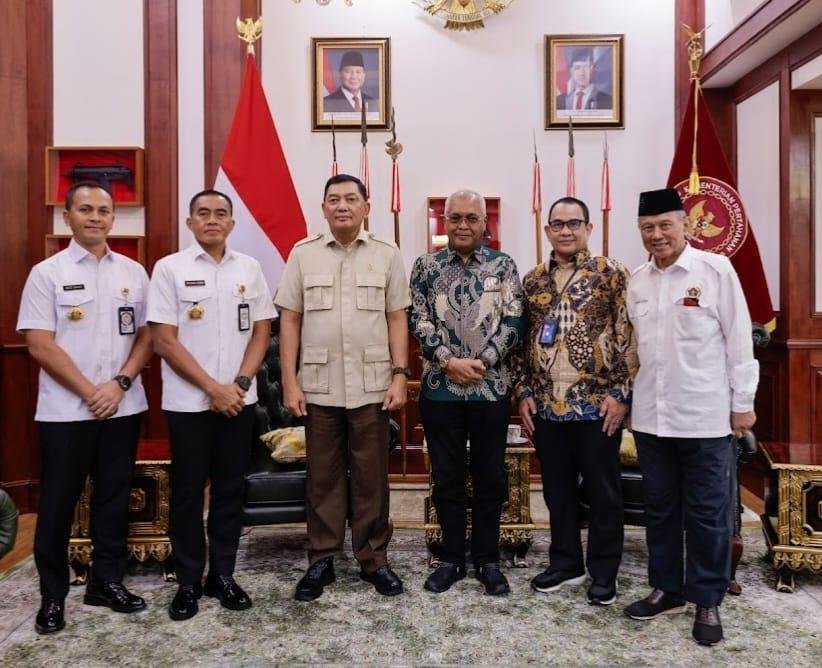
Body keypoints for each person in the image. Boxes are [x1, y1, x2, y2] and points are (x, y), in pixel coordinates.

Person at [624, 188, 758, 646]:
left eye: (665, 225)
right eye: (648, 227)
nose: (657, 235)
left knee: (707, 513)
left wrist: (744, 402)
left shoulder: (715, 271)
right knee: (661, 508)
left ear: (685, 224)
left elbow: (739, 340)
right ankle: (667, 588)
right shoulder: (637, 280)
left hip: (704, 416)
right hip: (651, 418)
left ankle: (707, 598)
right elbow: (636, 352)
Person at [17, 181, 152, 635]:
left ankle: (105, 582)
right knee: (56, 504)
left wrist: (119, 384)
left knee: (114, 500)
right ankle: (52, 596)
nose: (95, 217)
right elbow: (38, 343)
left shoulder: (133, 272)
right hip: (66, 412)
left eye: (104, 210)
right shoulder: (47, 273)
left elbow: (147, 336)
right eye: (86, 209)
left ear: (114, 218)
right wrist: (89, 390)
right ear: (68, 217)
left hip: (123, 405)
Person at [276, 174, 409, 601]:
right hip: (318, 385)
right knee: (323, 477)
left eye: (351, 198)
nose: (342, 206)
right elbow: (290, 320)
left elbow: (396, 318)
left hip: (372, 384)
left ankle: (374, 559)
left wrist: (401, 374)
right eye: (333, 199)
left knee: (372, 478)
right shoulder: (303, 254)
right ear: (324, 208)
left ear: (366, 207)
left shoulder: (387, 255)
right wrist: (289, 380)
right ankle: (322, 559)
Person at [148, 189, 274, 621]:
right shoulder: (169, 269)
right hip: (189, 404)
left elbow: (261, 331)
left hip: (239, 402)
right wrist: (211, 388)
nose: (212, 220)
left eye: (221, 214)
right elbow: (163, 340)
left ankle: (222, 575)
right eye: (203, 213)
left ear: (232, 223)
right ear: (190, 222)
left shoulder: (249, 268)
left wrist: (238, 384)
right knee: (187, 493)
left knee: (230, 492)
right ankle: (187, 581)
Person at [513, 196, 636, 606]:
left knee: (603, 492)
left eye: (574, 223)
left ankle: (604, 571)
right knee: (556, 491)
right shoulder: (532, 280)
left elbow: (627, 336)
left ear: (588, 229)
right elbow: (521, 343)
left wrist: (621, 394)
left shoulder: (610, 274)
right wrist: (524, 393)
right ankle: (566, 562)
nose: (565, 231)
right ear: (547, 230)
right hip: (547, 406)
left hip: (598, 406)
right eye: (558, 224)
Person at [409, 189, 525, 596]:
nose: (462, 225)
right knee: (447, 477)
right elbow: (417, 319)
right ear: (444, 221)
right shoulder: (425, 266)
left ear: (483, 223)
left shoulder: (504, 266)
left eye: (471, 218)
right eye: (455, 218)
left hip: (490, 390)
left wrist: (486, 359)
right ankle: (452, 559)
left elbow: (514, 319)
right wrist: (447, 360)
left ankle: (488, 560)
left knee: (491, 477)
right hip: (441, 391)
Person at [556, 47, 612, 111]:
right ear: (571, 71)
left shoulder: (608, 100)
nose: (582, 73)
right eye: (577, 68)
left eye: (586, 67)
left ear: (593, 70)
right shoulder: (559, 101)